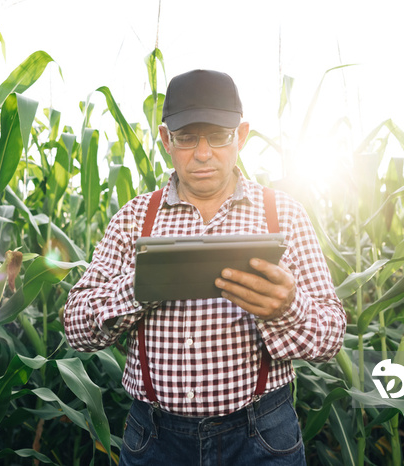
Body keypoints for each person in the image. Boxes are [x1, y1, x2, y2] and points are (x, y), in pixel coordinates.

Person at [63, 69, 346, 465]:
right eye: (186, 137)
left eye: (218, 136)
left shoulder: (283, 214)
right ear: (166, 139)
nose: (202, 152)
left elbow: (331, 335)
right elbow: (76, 327)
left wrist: (288, 307)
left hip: (261, 436)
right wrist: (139, 288)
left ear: (241, 136)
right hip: (156, 440)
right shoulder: (133, 219)